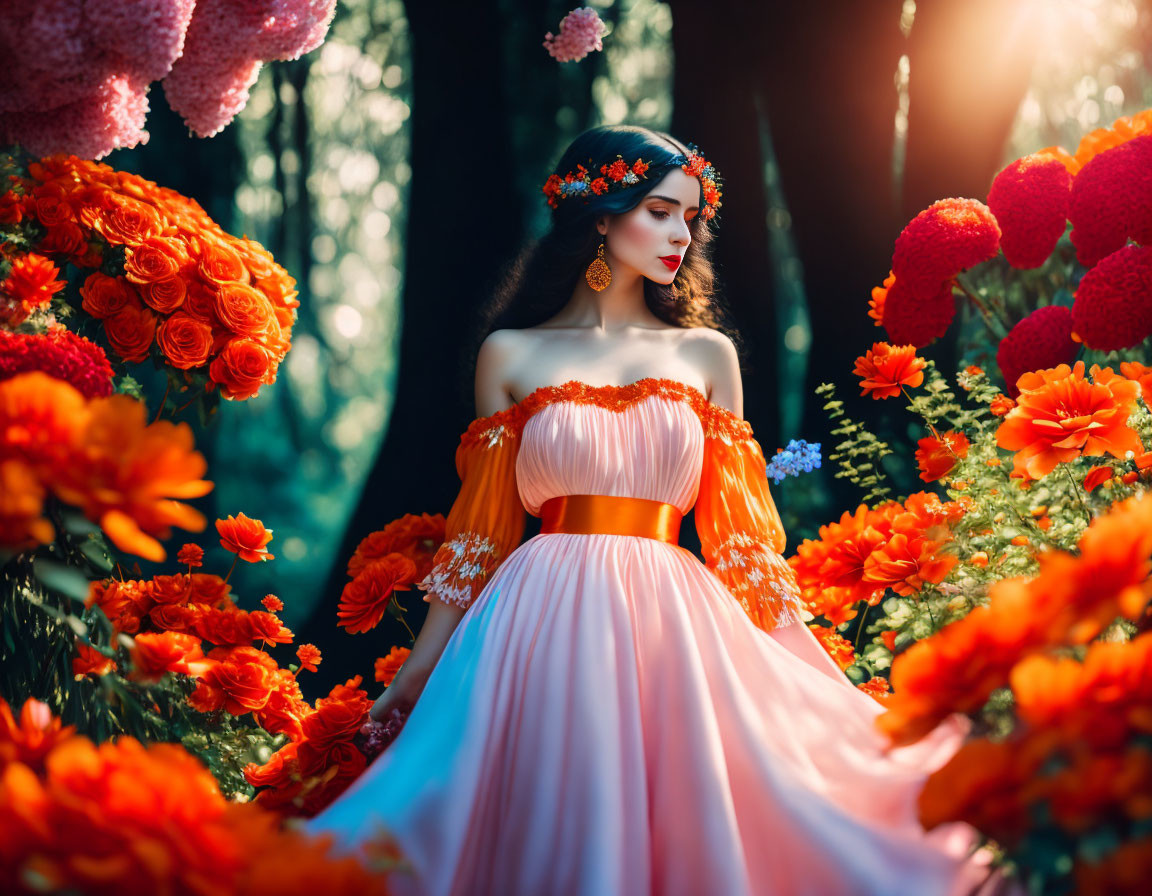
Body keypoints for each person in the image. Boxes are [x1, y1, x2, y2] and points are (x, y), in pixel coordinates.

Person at [303, 125, 1001, 896]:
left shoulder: (706, 355)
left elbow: (739, 544)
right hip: (533, 621)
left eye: (690, 218)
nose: (681, 234)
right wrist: (419, 668)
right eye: (661, 211)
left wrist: (830, 678)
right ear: (601, 215)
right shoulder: (509, 353)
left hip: (673, 621)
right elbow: (480, 536)